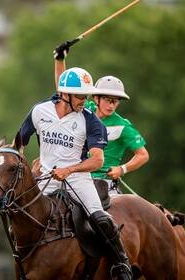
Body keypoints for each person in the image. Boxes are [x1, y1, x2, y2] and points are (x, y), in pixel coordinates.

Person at [18, 63, 132, 279]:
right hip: (46, 177)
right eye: (80, 95)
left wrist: (69, 170)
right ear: (64, 94)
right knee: (20, 211)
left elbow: (97, 161)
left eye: (86, 95)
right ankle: (23, 259)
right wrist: (27, 165)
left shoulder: (91, 120)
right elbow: (19, 143)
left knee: (100, 217)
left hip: (78, 178)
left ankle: (121, 263)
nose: (84, 100)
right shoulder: (40, 111)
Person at [54, 41, 149, 195]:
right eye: (107, 100)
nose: (111, 105)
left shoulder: (123, 126)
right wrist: (60, 60)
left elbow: (143, 154)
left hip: (104, 184)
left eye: (115, 101)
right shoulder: (85, 110)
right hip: (75, 178)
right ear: (96, 99)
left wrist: (121, 169)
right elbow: (64, 91)